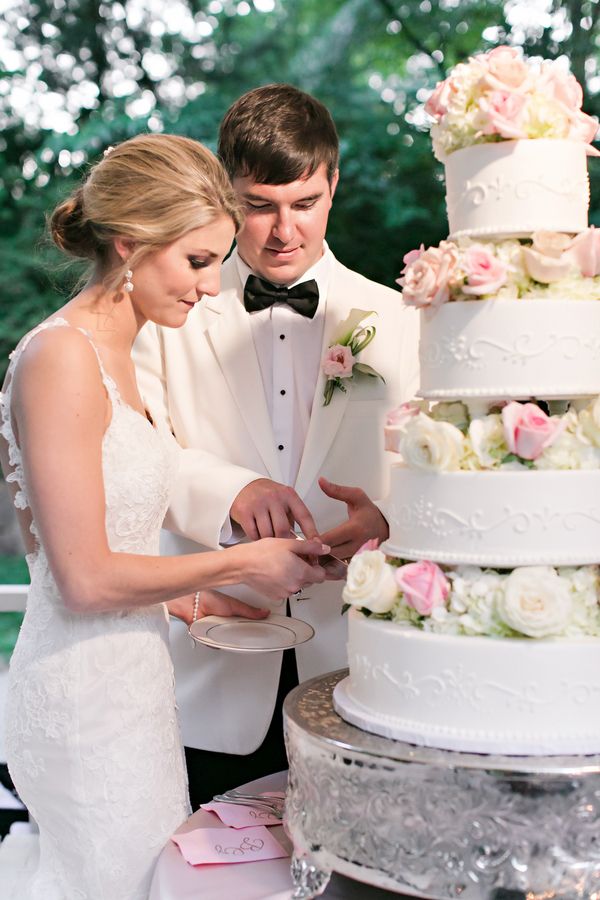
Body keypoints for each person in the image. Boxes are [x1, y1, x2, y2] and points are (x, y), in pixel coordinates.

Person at [0, 133, 328, 900]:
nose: (211, 286)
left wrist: (196, 602)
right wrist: (242, 562)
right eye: (196, 260)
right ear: (130, 245)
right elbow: (76, 579)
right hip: (82, 708)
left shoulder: (121, 355)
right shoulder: (60, 357)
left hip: (137, 689)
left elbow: (76, 537)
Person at [133, 84, 420, 809]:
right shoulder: (168, 314)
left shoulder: (404, 318)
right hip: (209, 669)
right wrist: (228, 492)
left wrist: (388, 520)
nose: (283, 230)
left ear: (332, 186)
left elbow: (438, 470)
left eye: (304, 203)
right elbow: (136, 453)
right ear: (228, 197)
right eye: (259, 205)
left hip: (363, 670)